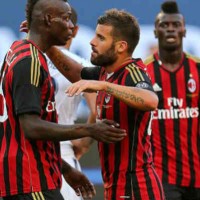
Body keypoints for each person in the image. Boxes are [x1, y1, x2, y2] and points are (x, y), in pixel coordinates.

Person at [0, 1, 127, 199]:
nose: (71, 25)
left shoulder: (17, 51)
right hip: (31, 180)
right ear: (49, 19)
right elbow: (31, 127)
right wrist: (89, 130)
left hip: (40, 168)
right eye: (66, 19)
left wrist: (65, 169)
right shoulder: (30, 62)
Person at [47, 8, 165, 200]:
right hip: (115, 186)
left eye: (101, 38)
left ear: (120, 46)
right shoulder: (105, 72)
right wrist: (45, 45)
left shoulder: (133, 72)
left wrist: (104, 86)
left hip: (137, 188)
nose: (92, 42)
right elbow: (76, 72)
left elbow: (150, 100)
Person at [144, 1, 200, 200]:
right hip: (162, 176)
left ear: (184, 31)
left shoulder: (198, 69)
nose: (170, 29)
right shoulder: (143, 73)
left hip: (197, 174)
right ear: (155, 31)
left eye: (175, 25)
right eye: (164, 25)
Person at [46, 7, 96, 200]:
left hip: (26, 153)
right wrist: (84, 144)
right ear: (74, 30)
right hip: (63, 151)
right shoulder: (82, 67)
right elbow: (98, 111)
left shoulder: (26, 59)